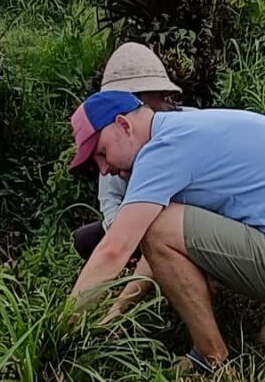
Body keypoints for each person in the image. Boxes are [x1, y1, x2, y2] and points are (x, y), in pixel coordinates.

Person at [67, 91, 265, 375]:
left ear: (124, 125)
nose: (104, 169)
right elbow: (159, 252)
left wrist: (62, 324)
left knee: (158, 227)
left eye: (102, 153)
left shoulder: (163, 151)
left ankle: (210, 355)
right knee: (165, 227)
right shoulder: (185, 127)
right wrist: (117, 311)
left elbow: (116, 249)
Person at [71, 42, 182, 321]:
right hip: (135, 222)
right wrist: (120, 228)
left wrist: (117, 307)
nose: (140, 107)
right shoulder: (119, 144)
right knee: (87, 239)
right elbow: (108, 199)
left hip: (176, 224)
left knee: (157, 234)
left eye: (145, 99)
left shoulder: (175, 140)